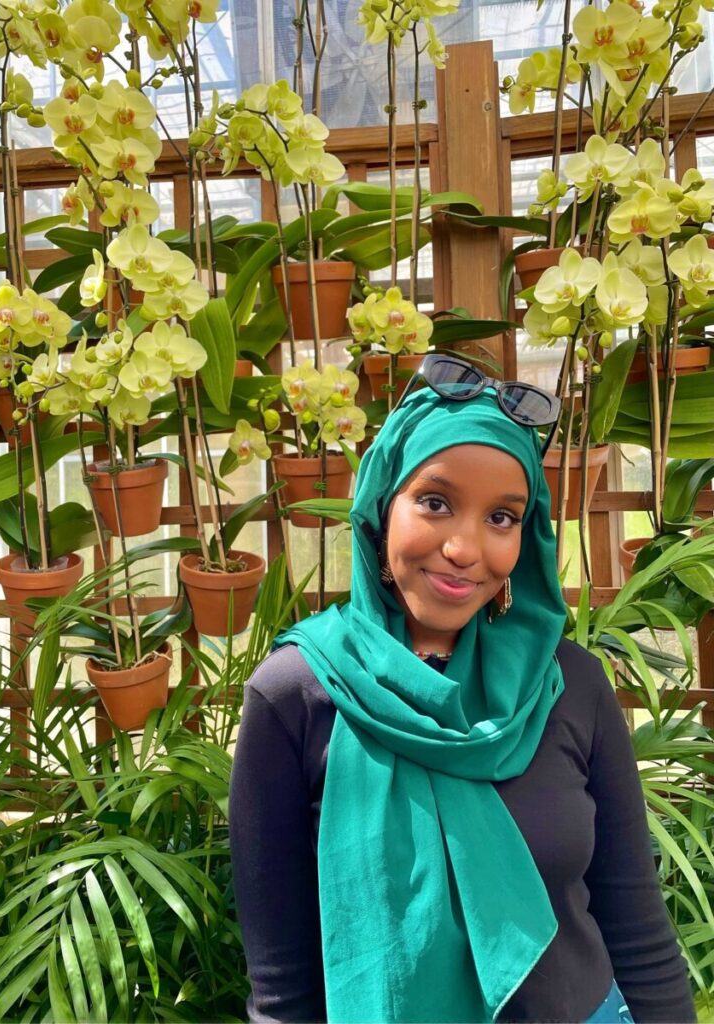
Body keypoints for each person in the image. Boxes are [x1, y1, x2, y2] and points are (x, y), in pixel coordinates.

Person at [229, 356, 696, 1024]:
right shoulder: (296, 695)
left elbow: (637, 927)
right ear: (381, 506)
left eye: (501, 517)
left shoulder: (569, 684)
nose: (464, 547)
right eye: (436, 503)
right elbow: (283, 987)